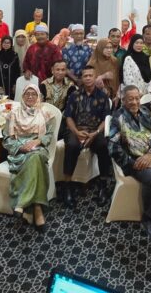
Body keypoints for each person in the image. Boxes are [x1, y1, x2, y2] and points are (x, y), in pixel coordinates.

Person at [108, 85, 151, 238]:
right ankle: (148, 218)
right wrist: (133, 163)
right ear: (123, 100)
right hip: (132, 160)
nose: (134, 102)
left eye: (137, 98)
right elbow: (113, 147)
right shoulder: (118, 118)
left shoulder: (145, 112)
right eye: (130, 99)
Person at [3, 83, 56, 230]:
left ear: (38, 96)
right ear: (22, 96)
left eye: (34, 94)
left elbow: (49, 135)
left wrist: (38, 141)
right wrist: (20, 147)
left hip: (38, 146)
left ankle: (21, 203)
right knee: (35, 160)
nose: (30, 97)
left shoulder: (45, 113)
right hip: (19, 150)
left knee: (36, 156)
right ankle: (38, 209)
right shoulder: (13, 114)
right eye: (27, 94)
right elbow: (6, 139)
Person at [61, 66, 111, 208]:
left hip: (95, 131)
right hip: (76, 130)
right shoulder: (74, 95)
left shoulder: (103, 96)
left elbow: (106, 119)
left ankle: (103, 185)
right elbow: (68, 117)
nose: (88, 78)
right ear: (81, 78)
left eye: (90, 75)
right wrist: (76, 132)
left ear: (95, 77)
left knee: (103, 145)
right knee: (72, 145)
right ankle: (67, 186)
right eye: (85, 76)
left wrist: (95, 133)